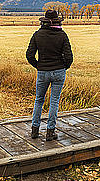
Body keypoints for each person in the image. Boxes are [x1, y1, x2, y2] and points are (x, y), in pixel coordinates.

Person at [26, 9, 73, 141]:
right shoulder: (62, 35)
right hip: (59, 71)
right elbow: (69, 57)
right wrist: (64, 67)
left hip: (42, 72)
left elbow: (29, 55)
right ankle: (50, 132)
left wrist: (39, 65)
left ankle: (34, 130)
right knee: (54, 102)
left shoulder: (37, 35)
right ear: (57, 21)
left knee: (39, 100)